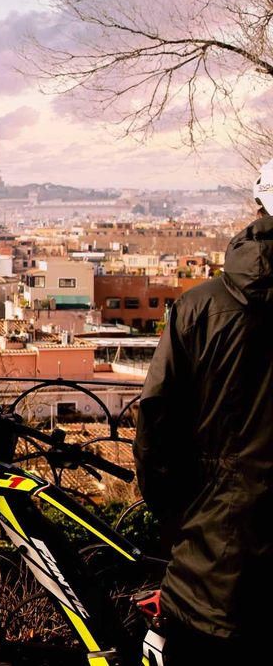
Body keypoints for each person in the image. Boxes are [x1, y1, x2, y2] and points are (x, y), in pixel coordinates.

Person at [134, 160, 273, 661]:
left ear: (258, 211)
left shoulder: (199, 309)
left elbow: (156, 431)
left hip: (213, 565)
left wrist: (184, 525)